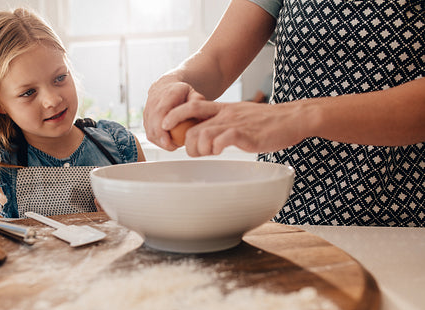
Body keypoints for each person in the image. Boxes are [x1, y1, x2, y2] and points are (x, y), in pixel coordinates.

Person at [143, 0, 424, 227]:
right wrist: (172, 81)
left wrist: (297, 116)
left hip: (401, 215)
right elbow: (216, 60)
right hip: (289, 210)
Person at [0, 8, 145, 219]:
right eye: (28, 92)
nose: (53, 100)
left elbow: (154, 220)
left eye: (60, 78)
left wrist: (126, 223)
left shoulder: (121, 147)